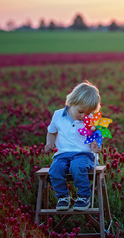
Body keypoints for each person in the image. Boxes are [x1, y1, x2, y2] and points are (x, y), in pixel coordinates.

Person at [45, 81, 101, 211]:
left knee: (78, 167)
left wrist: (95, 146)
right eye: (81, 112)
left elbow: (94, 137)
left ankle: (84, 196)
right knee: (55, 169)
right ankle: (63, 197)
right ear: (73, 102)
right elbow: (51, 132)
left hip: (84, 154)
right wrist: (50, 143)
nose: (84, 116)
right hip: (62, 154)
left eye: (88, 113)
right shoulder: (58, 115)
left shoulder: (91, 119)